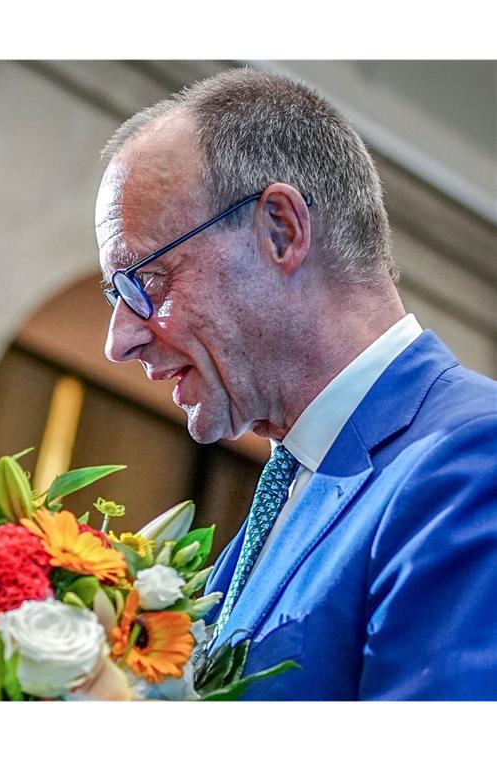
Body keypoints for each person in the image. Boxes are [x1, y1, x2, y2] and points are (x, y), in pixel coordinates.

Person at [94, 68, 497, 699]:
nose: (119, 340)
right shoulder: (281, 501)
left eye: (145, 284)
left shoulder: (473, 461)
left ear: (280, 230)